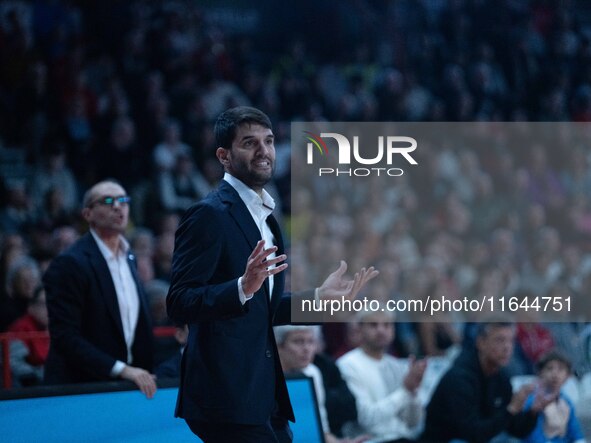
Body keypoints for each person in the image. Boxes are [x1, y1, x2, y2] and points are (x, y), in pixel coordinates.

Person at [166, 106, 377, 443]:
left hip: (262, 391)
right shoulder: (208, 214)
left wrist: (319, 300)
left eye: (269, 141)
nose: (264, 151)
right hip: (224, 394)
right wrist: (240, 287)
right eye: (249, 143)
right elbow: (179, 302)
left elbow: (264, 306)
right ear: (224, 155)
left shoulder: (267, 218)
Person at [43, 180, 157, 398]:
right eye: (107, 201)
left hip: (126, 388)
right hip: (80, 389)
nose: (118, 206)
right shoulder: (69, 263)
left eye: (123, 200)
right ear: (88, 214)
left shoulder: (129, 257)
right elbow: (65, 336)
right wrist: (121, 369)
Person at [421, 321, 555, 443]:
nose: (507, 348)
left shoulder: (501, 377)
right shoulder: (459, 379)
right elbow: (472, 434)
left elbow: (514, 429)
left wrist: (532, 412)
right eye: (500, 340)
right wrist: (511, 409)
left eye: (511, 341)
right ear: (481, 343)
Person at [337, 310, 427, 443]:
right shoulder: (348, 365)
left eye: (387, 325)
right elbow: (366, 419)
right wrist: (405, 390)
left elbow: (413, 422)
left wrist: (413, 392)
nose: (381, 330)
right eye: (373, 325)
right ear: (360, 329)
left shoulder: (395, 365)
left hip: (404, 438)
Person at [275, 325, 368, 443]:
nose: (306, 348)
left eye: (311, 341)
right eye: (298, 341)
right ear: (279, 346)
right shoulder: (267, 376)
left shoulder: (313, 372)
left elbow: (321, 427)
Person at [522, 350, 586, 443]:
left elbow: (575, 432)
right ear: (540, 373)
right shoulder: (532, 401)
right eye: (549, 368)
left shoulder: (567, 402)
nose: (555, 374)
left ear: (567, 376)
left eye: (560, 369)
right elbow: (532, 434)